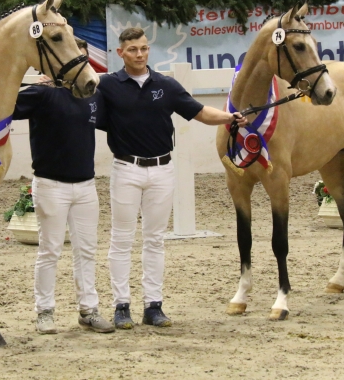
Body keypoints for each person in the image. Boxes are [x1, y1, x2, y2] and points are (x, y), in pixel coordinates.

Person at [98, 28, 248, 330]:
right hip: (126, 169)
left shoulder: (165, 85)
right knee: (122, 239)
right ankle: (121, 305)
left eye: (143, 48)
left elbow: (199, 112)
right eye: (132, 50)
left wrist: (229, 117)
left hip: (162, 169)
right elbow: (81, 102)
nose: (139, 55)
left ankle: (153, 305)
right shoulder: (107, 85)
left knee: (154, 239)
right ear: (120, 53)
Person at [12, 38, 114, 335]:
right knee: (50, 250)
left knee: (86, 250)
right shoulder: (41, 93)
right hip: (50, 184)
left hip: (86, 185)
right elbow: (4, 105)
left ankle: (89, 309)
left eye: (83, 58)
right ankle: (44, 311)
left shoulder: (93, 94)